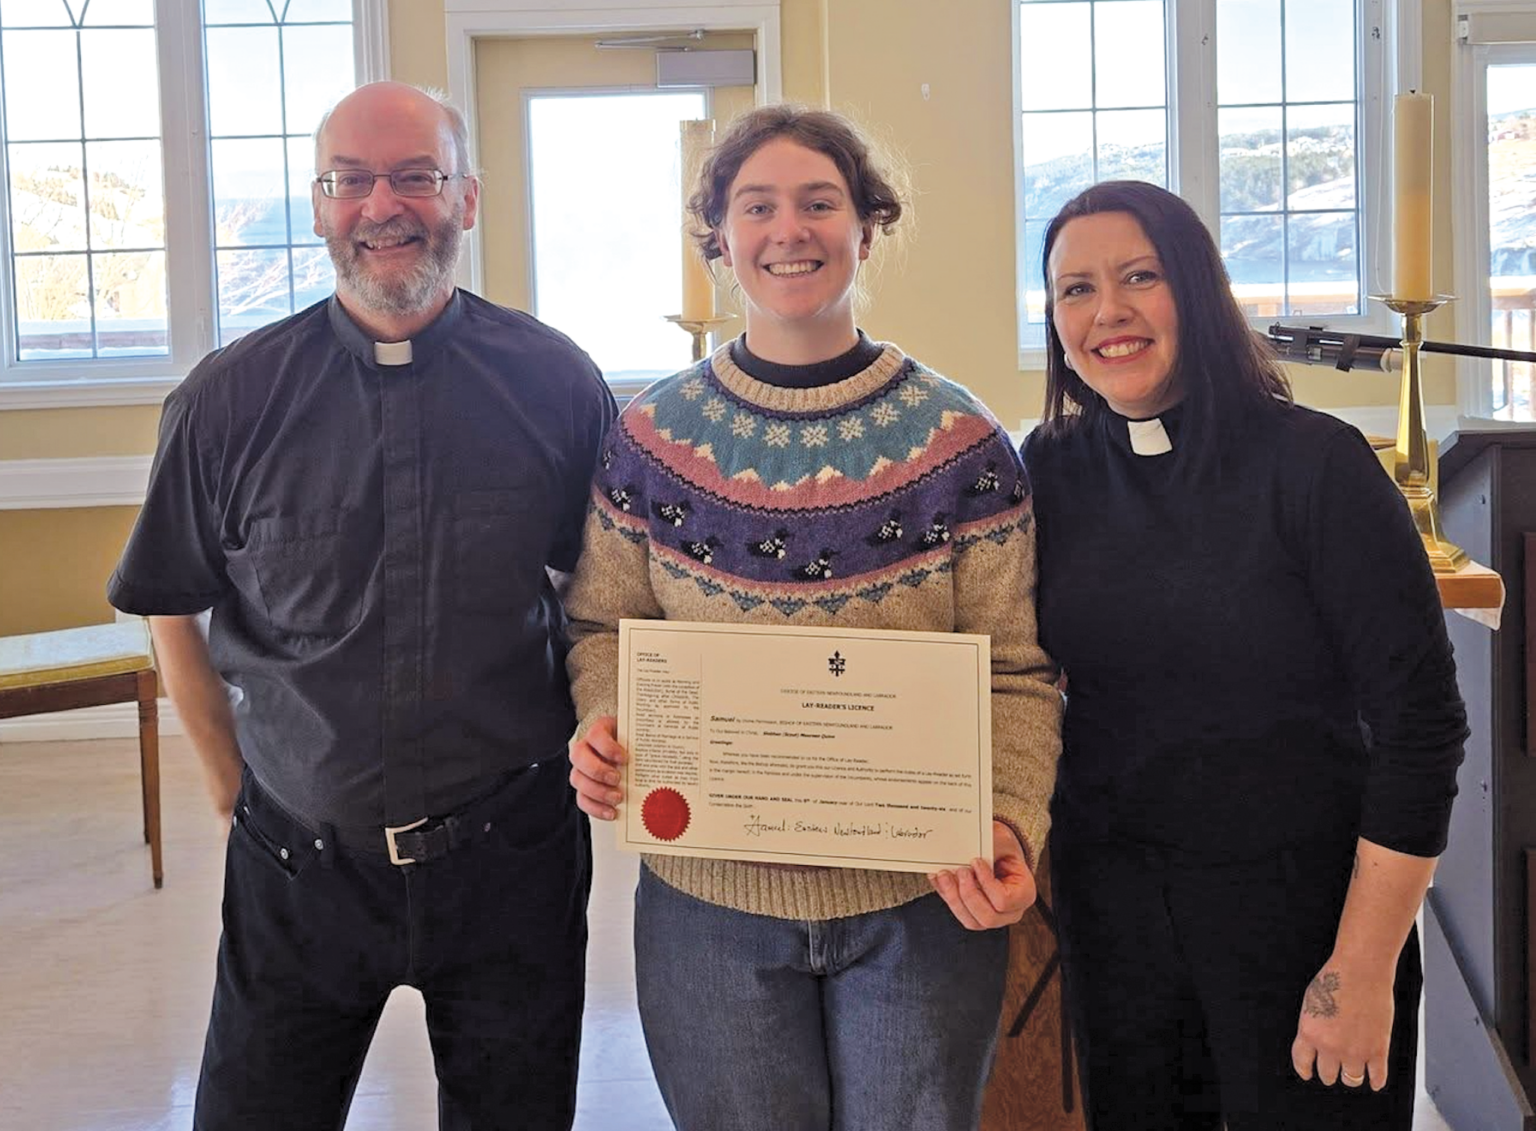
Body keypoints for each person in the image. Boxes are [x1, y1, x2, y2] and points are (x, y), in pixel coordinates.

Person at [106, 81, 615, 1130]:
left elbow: (598, 592)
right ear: (319, 204)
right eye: (353, 181)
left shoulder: (557, 384)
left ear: (466, 199)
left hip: (511, 858)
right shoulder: (226, 401)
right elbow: (172, 603)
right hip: (297, 865)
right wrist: (231, 790)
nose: (385, 205)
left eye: (417, 176)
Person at [561, 104, 1063, 1131]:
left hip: (923, 906)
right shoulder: (649, 441)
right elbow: (603, 625)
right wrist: (608, 722)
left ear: (867, 228)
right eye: (758, 207)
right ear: (720, 241)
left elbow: (1016, 670)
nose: (789, 230)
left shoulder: (960, 445)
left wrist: (1011, 816)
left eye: (819, 203)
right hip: (708, 910)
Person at [1021, 180, 1468, 1130]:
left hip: (1302, 918)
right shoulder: (1051, 469)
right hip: (1120, 918)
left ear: (1198, 286)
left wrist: (1360, 966)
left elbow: (1422, 729)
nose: (1109, 311)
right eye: (1075, 289)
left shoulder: (1315, 465)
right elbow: (1013, 673)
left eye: (1140, 276)